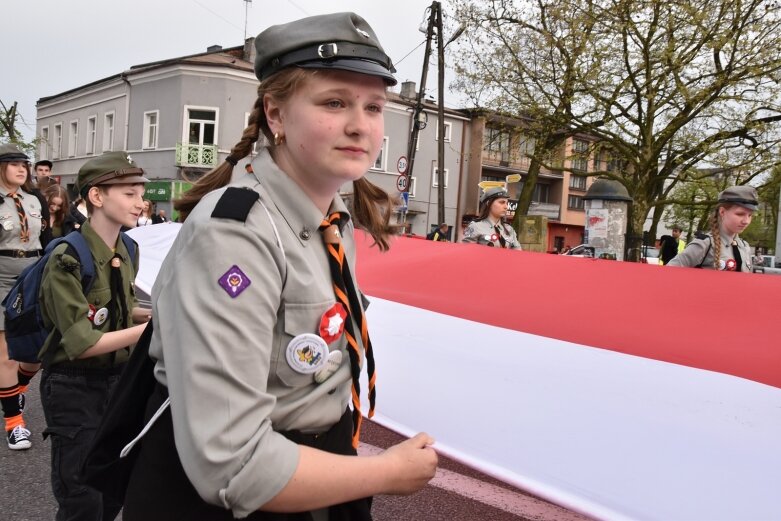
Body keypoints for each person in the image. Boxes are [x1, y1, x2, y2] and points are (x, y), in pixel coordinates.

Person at [122, 12, 438, 521]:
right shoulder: (235, 232)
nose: (360, 124)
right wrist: (386, 474)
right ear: (275, 114)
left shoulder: (331, 219)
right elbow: (234, 466)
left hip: (317, 470)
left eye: (374, 106)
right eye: (334, 102)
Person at [38, 151, 152, 518]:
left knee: (113, 489)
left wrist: (158, 314)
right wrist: (149, 329)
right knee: (82, 499)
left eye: (141, 193)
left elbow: (121, 310)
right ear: (97, 197)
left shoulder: (128, 247)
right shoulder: (67, 257)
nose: (141, 202)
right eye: (129, 193)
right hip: (74, 385)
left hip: (118, 380)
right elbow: (83, 343)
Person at [0, 144, 48, 450]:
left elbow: (45, 237)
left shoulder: (33, 200)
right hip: (1, 277)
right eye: (14, 164)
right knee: (5, 353)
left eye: (24, 164)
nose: (22, 169)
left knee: (38, 351)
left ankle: (16, 388)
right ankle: (14, 424)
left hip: (33, 275)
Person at [668, 186, 756, 271]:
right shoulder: (704, 244)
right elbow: (669, 272)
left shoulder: (745, 247)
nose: (746, 221)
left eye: (750, 215)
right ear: (722, 212)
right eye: (740, 214)